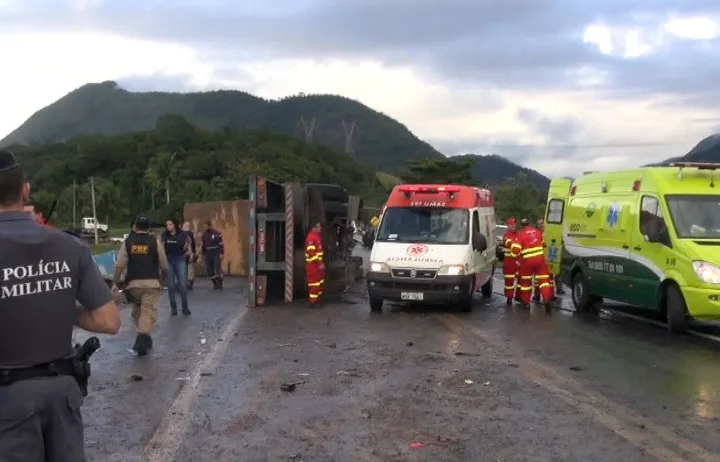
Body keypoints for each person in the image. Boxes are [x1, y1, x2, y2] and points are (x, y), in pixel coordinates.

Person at [0, 150, 121, 460]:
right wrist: (60, 306)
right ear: (25, 190)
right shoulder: (69, 245)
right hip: (63, 394)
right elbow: (109, 321)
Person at [113, 214, 169, 356]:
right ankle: (141, 341)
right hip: (151, 284)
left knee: (138, 310)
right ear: (149, 227)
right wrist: (163, 279)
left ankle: (145, 336)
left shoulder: (128, 242)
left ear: (135, 226)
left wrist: (115, 282)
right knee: (148, 311)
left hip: (133, 285)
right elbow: (164, 265)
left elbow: (120, 265)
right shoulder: (154, 241)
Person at [510, 218, 554, 311]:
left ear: (522, 225)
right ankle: (546, 298)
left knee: (526, 282)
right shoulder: (538, 232)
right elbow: (543, 244)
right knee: (544, 281)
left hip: (527, 261)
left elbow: (514, 252)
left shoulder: (520, 234)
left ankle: (526, 304)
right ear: (529, 223)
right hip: (540, 259)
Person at [161, 219, 191, 315]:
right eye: (167, 225)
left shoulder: (182, 234)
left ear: (175, 225)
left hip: (180, 260)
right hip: (169, 261)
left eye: (170, 224)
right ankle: (173, 307)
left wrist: (189, 250)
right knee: (171, 285)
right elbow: (161, 246)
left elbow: (189, 242)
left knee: (182, 284)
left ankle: (185, 307)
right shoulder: (165, 235)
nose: (168, 227)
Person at [304, 221, 326, 306]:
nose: (320, 228)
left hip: (317, 266)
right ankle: (313, 302)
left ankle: (317, 300)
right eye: (318, 227)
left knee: (319, 283)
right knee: (314, 285)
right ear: (314, 228)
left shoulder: (316, 237)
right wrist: (320, 263)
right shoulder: (311, 238)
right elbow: (312, 253)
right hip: (313, 266)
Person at [501, 217, 519, 306]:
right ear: (508, 225)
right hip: (509, 262)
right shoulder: (506, 235)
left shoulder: (518, 234)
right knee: (509, 281)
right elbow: (509, 244)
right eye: (512, 224)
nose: (514, 226)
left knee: (522, 279)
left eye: (515, 224)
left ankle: (519, 296)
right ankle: (509, 298)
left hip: (518, 261)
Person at [200, 220, 224, 289]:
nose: (205, 228)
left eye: (206, 226)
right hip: (208, 253)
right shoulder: (204, 235)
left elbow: (221, 244)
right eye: (204, 226)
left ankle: (219, 283)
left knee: (217, 268)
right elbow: (203, 245)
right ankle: (214, 283)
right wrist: (203, 254)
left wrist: (221, 253)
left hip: (216, 252)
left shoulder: (217, 233)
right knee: (209, 270)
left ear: (210, 225)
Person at [182, 221, 197, 290]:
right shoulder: (192, 234)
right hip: (190, 253)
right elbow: (194, 244)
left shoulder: (181, 234)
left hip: (184, 253)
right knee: (190, 268)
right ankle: (190, 282)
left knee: (184, 268)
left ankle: (185, 283)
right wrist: (193, 253)